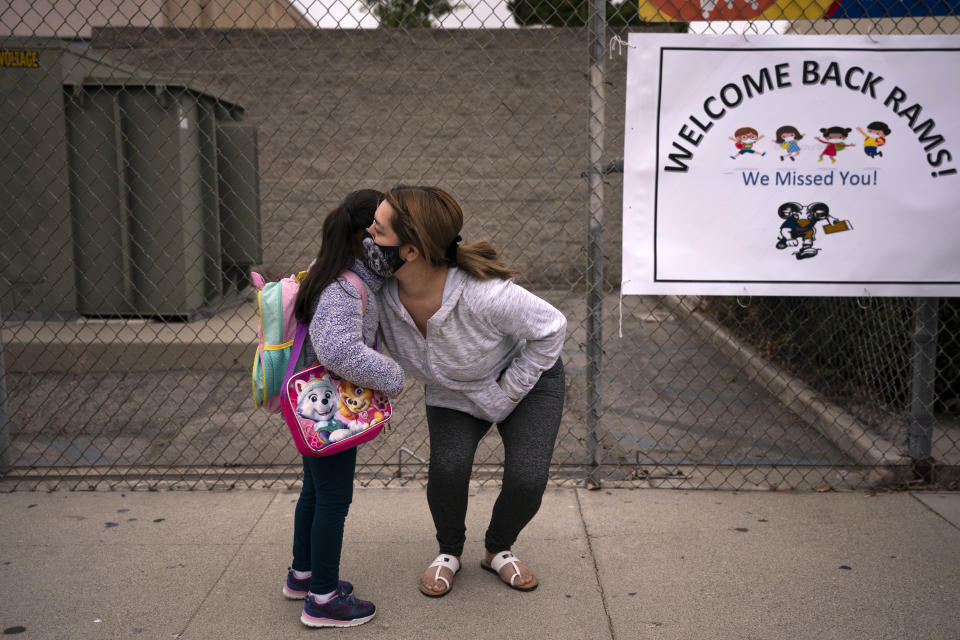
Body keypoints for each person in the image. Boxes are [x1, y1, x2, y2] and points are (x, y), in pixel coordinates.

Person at [361, 185, 567, 597]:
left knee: (528, 479)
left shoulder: (483, 294)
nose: (368, 235)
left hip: (526, 381)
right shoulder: (378, 293)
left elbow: (552, 328)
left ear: (412, 251)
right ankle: (448, 553)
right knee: (448, 470)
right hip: (452, 389)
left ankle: (498, 550)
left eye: (379, 231)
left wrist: (508, 391)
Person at [282, 189, 404, 628]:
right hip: (330, 409)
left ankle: (303, 574)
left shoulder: (331, 269)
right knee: (333, 501)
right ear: (363, 238)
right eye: (382, 230)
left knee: (314, 494)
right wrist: (392, 377)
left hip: (311, 405)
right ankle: (323, 600)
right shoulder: (344, 286)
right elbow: (337, 350)